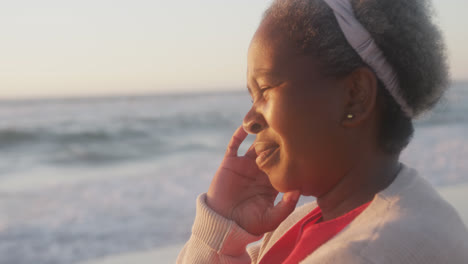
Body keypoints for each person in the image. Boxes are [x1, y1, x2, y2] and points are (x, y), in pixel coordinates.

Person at [177, 0, 468, 263]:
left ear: (355, 95)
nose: (249, 121)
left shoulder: (363, 253)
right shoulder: (308, 222)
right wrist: (223, 228)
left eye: (265, 89)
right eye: (252, 97)